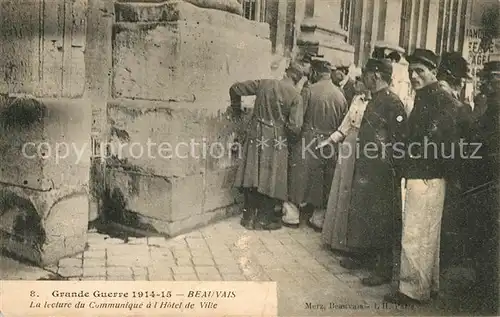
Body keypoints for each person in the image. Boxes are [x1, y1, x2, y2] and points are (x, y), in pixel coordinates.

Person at [319, 58, 408, 286]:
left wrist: (388, 168)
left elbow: (398, 141)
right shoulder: (376, 98)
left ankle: (383, 268)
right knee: (363, 212)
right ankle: (362, 255)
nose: (363, 78)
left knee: (381, 217)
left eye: (366, 74)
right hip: (366, 167)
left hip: (381, 171)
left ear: (376, 75)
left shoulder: (393, 102)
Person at [384, 49, 462, 305]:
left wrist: (413, 156)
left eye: (420, 71)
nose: (414, 76)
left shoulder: (440, 99)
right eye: (411, 71)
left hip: (427, 174)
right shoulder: (428, 96)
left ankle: (410, 291)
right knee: (426, 233)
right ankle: (427, 286)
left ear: (433, 72)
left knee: (416, 233)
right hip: (425, 173)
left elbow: (436, 139)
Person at [230, 62, 305, 230]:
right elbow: (295, 127)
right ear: (298, 79)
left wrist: (236, 110)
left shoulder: (264, 83)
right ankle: (263, 219)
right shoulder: (296, 96)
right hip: (276, 138)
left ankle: (248, 217)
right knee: (271, 177)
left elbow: (235, 88)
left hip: (255, 132)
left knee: (252, 173)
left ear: (286, 72)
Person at [286, 58, 348, 230]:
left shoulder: (308, 91)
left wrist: (293, 137)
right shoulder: (340, 95)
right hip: (329, 143)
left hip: (308, 138)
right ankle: (318, 218)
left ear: (315, 72)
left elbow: (297, 121)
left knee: (299, 175)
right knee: (323, 180)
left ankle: (292, 216)